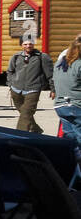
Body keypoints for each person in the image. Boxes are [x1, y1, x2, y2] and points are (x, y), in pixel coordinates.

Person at [7, 35, 54, 133]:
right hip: (16, 89)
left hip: (33, 89)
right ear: (21, 45)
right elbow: (10, 71)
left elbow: (50, 74)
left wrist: (53, 89)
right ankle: (36, 129)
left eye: (30, 43)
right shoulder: (16, 57)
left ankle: (19, 136)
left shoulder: (42, 57)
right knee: (24, 113)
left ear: (34, 44)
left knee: (26, 112)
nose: (28, 46)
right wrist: (11, 84)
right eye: (25, 44)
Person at [53, 36, 81, 169]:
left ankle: (69, 170)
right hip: (76, 105)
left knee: (70, 141)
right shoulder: (79, 64)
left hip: (60, 105)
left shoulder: (60, 63)